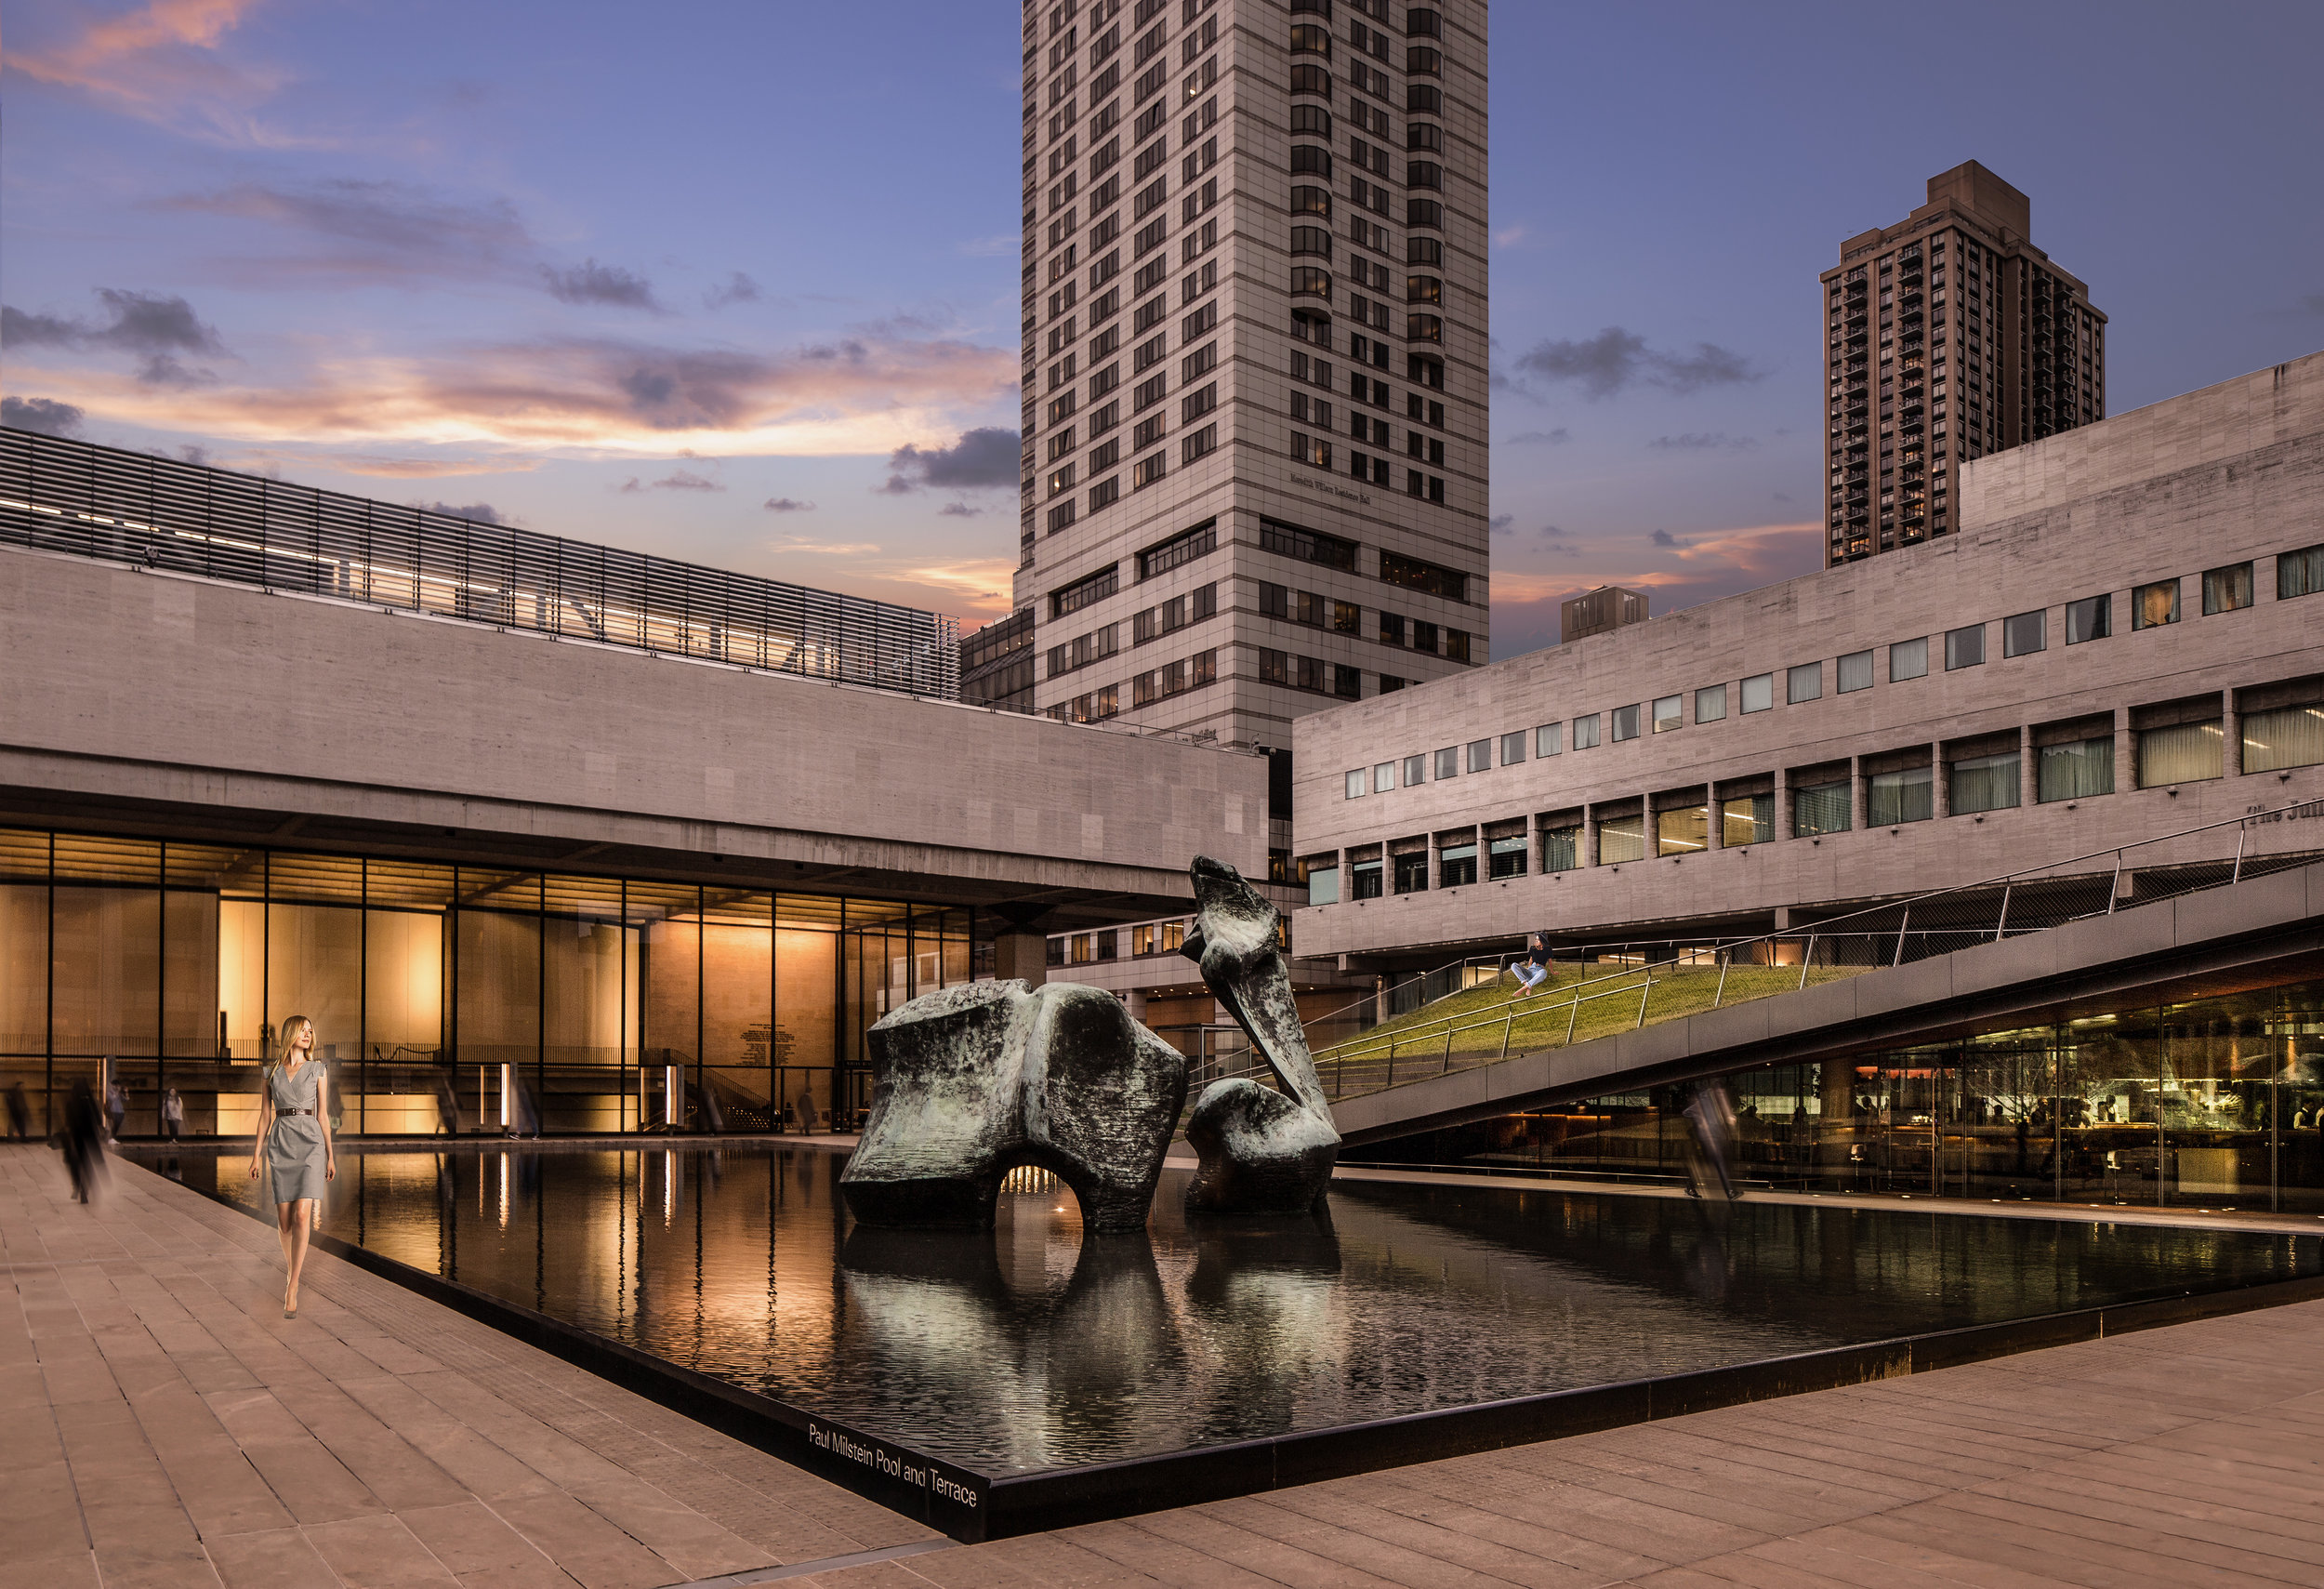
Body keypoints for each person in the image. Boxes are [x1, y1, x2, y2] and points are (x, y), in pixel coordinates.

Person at [246, 1015, 336, 1319]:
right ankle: (291, 1271)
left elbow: (323, 1116)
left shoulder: (318, 1069)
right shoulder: (270, 1072)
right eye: (304, 1030)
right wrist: (256, 1155)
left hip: (311, 1142)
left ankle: (293, 1285)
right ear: (291, 1033)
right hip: (281, 1141)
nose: (309, 1034)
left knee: (301, 1215)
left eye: (312, 1030)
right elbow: (263, 1116)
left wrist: (331, 1155)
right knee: (283, 1222)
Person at [60, 1079, 107, 1203]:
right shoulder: (90, 1101)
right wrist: (100, 1130)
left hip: (77, 1136)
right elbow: (97, 1119)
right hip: (89, 1136)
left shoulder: (71, 1102)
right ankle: (85, 1189)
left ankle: (79, 1186)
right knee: (88, 1164)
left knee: (78, 1163)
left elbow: (67, 1122)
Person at [1512, 932, 1553, 998]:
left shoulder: (1548, 949)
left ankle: (1524, 988)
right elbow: (1531, 959)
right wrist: (1529, 968)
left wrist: (1552, 972)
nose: (1536, 941)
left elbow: (1550, 961)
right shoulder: (1533, 948)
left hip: (1539, 970)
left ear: (1542, 941)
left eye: (1538, 940)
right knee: (1514, 965)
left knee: (1544, 972)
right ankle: (1527, 985)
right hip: (1531, 969)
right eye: (1536, 940)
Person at [105, 1075, 127, 1140]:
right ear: (113, 1086)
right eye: (116, 1085)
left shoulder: (119, 1093)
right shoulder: (110, 1093)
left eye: (118, 1085)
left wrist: (125, 1092)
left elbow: (126, 1099)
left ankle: (112, 1138)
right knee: (113, 1125)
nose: (118, 1087)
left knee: (117, 1126)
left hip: (120, 1111)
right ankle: (110, 1138)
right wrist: (117, 1092)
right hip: (113, 1111)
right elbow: (112, 1099)